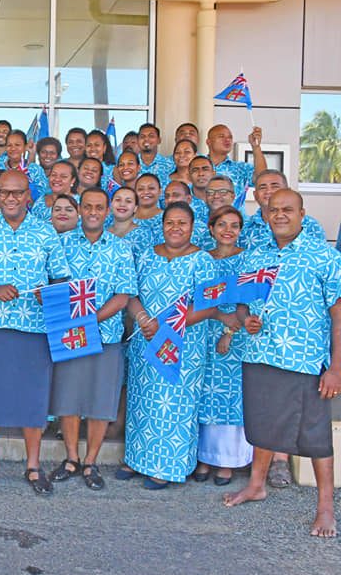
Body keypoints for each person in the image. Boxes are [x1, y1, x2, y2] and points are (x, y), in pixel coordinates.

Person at [223, 189, 341, 539]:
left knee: (315, 436)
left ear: (302, 214)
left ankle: (325, 507)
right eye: (274, 209)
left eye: (287, 209)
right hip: (260, 354)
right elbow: (242, 305)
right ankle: (256, 485)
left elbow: (338, 316)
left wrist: (336, 368)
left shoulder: (324, 257)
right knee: (262, 425)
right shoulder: (254, 256)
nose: (280, 215)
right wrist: (245, 320)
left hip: (304, 360)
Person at [0, 170, 70, 493]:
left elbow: (61, 277)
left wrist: (49, 293)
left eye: (17, 193)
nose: (10, 198)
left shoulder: (45, 231)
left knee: (33, 397)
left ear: (27, 196)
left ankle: (33, 466)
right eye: (4, 192)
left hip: (34, 327)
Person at [121, 202, 216, 488]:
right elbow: (130, 293)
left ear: (192, 227)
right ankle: (137, 459)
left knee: (174, 405)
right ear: (162, 226)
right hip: (146, 339)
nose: (175, 228)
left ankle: (166, 467)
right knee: (142, 401)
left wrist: (167, 327)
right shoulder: (147, 255)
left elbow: (209, 305)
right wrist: (142, 318)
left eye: (182, 223)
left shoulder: (202, 260)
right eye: (170, 222)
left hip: (182, 346)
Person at [49, 187, 136, 490]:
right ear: (79, 210)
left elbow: (124, 294)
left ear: (107, 211)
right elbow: (53, 283)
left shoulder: (120, 248)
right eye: (87, 207)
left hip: (106, 334)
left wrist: (91, 319)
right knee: (69, 396)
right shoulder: (61, 244)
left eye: (99, 207)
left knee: (100, 400)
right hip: (69, 333)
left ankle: (91, 461)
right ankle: (71, 458)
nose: (93, 212)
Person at [193, 206, 252, 486]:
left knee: (228, 396)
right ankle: (204, 457)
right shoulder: (202, 258)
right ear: (211, 229)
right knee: (203, 393)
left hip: (234, 335)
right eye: (222, 225)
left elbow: (248, 301)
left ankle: (226, 460)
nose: (228, 230)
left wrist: (228, 332)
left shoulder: (247, 260)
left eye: (234, 225)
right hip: (202, 332)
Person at [239, 169, 326, 249]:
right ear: (255, 195)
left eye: (275, 186)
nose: (268, 191)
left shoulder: (309, 225)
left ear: (287, 190)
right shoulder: (243, 228)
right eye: (262, 187)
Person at [206, 124, 267, 196]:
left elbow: (262, 178)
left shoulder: (241, 168)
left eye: (230, 137)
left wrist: (256, 147)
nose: (227, 140)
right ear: (208, 142)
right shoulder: (197, 165)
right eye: (221, 136)